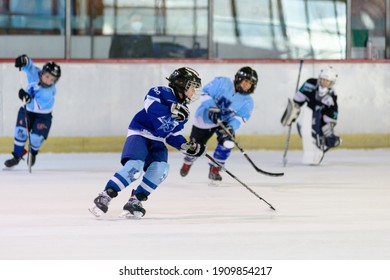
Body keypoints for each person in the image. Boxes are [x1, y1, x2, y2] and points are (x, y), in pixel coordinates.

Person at [89, 67, 205, 219]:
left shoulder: (184, 111)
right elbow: (150, 105)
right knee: (134, 167)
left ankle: (135, 201)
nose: (193, 92)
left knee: (160, 170)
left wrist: (185, 145)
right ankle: (105, 196)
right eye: (192, 87)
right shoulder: (161, 92)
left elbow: (172, 134)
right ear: (181, 83)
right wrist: (171, 109)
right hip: (140, 133)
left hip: (157, 141)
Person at [179, 66, 258, 181]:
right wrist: (211, 107)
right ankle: (188, 161)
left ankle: (215, 169)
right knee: (195, 147)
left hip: (224, 122)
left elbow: (240, 118)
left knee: (228, 143)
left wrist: (231, 127)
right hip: (204, 118)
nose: (247, 85)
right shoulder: (222, 82)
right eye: (246, 81)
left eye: (250, 83)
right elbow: (204, 93)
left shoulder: (248, 102)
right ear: (239, 78)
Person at [4, 54, 61, 168]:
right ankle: (17, 156)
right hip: (27, 110)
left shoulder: (49, 92)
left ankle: (33, 152)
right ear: (42, 72)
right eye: (47, 76)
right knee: (20, 132)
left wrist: (27, 98)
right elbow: (29, 66)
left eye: (52, 79)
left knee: (35, 139)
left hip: (43, 116)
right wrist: (24, 60)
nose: (48, 81)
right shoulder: (35, 74)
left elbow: (37, 106)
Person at [281, 66, 341, 164]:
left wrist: (329, 125)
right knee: (307, 133)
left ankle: (322, 146)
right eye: (323, 80)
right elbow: (297, 100)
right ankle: (309, 153)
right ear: (319, 78)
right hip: (309, 112)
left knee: (323, 136)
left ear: (332, 83)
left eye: (327, 81)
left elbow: (332, 111)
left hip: (321, 117)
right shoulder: (310, 83)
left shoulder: (332, 95)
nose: (324, 83)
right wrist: (293, 110)